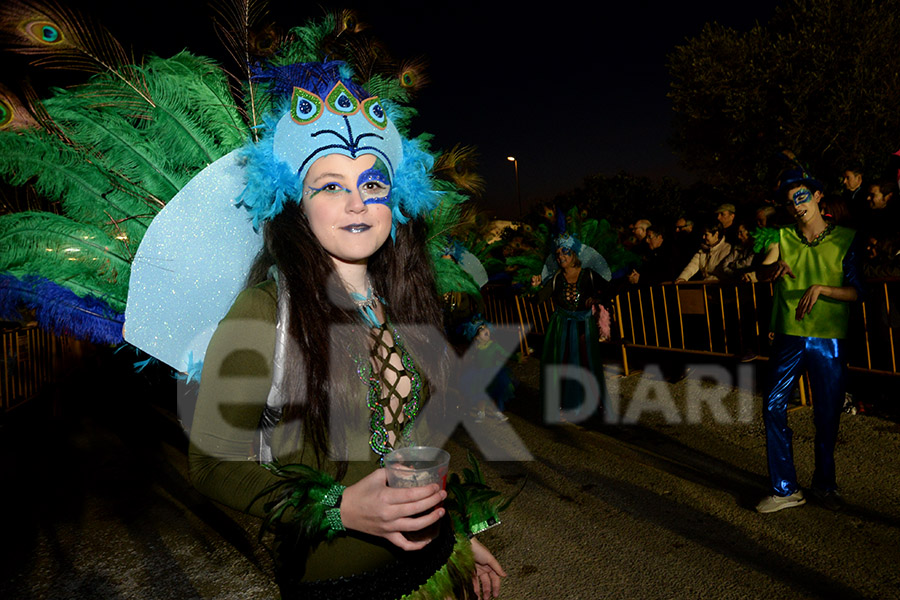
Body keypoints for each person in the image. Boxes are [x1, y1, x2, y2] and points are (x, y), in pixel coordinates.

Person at [184, 62, 505, 599]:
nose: (357, 201)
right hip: (339, 584)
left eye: (372, 182)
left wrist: (457, 536)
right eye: (330, 185)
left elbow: (413, 449)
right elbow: (211, 463)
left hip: (432, 564)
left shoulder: (406, 305)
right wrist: (340, 509)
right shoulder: (263, 312)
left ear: (394, 200)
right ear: (296, 204)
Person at [753, 167, 864, 513]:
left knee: (827, 415)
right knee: (772, 405)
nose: (796, 205)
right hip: (789, 333)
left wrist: (822, 289)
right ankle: (785, 488)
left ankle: (824, 485)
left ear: (817, 197)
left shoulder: (846, 237)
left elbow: (856, 293)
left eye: (801, 196)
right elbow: (762, 269)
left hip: (828, 337)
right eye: (789, 202)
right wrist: (772, 271)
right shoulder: (781, 237)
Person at [530, 235, 610, 419]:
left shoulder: (588, 274)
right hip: (561, 326)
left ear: (573, 254)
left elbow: (607, 291)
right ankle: (561, 404)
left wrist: (596, 299)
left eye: (565, 251)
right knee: (562, 364)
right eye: (557, 254)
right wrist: (534, 287)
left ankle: (594, 403)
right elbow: (538, 300)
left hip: (584, 325)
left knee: (586, 363)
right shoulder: (556, 279)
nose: (561, 256)